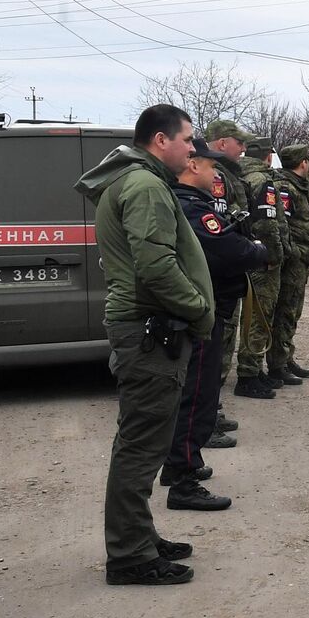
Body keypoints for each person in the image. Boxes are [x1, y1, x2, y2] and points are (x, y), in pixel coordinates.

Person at [75, 104, 214, 586]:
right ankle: (130, 556)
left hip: (145, 327)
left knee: (143, 441)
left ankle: (140, 537)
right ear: (160, 140)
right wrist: (198, 307)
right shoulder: (146, 185)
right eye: (188, 140)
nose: (193, 149)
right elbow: (156, 267)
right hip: (150, 329)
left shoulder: (133, 180)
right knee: (140, 445)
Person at [160, 137, 268, 512]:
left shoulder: (191, 203)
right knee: (197, 399)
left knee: (197, 395)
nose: (214, 173)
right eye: (210, 166)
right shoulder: (190, 207)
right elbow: (229, 249)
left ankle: (182, 464)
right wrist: (256, 250)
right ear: (193, 166)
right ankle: (183, 480)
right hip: (201, 313)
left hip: (206, 309)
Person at [201, 119, 259, 439]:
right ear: (223, 143)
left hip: (228, 270)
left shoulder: (226, 173)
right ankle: (204, 418)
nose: (243, 149)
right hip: (215, 274)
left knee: (223, 343)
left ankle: (212, 409)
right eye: (239, 143)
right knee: (212, 350)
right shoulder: (209, 175)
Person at [232, 137, 286, 399]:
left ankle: (253, 369)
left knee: (250, 314)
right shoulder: (262, 181)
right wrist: (274, 255)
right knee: (259, 316)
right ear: (267, 156)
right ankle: (249, 374)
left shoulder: (238, 176)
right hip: (262, 258)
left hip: (244, 252)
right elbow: (267, 223)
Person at [269, 143, 309, 385]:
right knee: (285, 311)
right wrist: (294, 252)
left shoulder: (297, 186)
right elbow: (283, 225)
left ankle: (286, 356)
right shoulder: (285, 187)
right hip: (293, 260)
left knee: (293, 311)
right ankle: (278, 363)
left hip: (301, 259)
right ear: (303, 162)